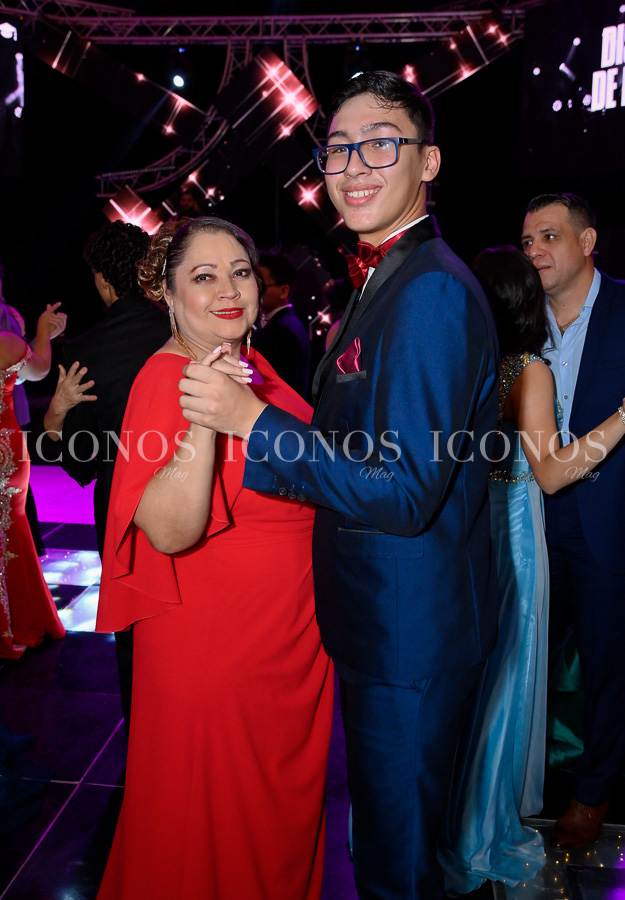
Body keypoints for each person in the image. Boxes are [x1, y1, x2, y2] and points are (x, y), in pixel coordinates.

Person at [177, 71, 500, 900]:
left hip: (408, 633)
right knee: (389, 847)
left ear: (428, 162)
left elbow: (403, 490)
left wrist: (255, 424)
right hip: (384, 619)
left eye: (379, 144)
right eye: (338, 149)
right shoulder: (386, 280)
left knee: (398, 867)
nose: (353, 166)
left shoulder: (429, 290)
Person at [94, 216, 333, 900]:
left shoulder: (248, 363)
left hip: (281, 643)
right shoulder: (167, 378)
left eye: (240, 271)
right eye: (204, 276)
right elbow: (169, 531)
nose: (229, 289)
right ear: (169, 296)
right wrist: (204, 418)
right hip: (219, 649)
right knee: (211, 830)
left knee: (266, 828)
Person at [438, 246, 625, 892]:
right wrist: (622, 419)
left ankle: (448, 816)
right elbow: (550, 473)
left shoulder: (466, 362)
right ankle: (481, 824)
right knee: (508, 683)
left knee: (476, 681)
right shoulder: (528, 369)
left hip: (469, 536)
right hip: (516, 537)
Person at [521, 193, 625, 851]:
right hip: (528, 520)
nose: (535, 250)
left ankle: (593, 793)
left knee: (608, 664)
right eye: (528, 240)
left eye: (549, 237)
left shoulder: (622, 310)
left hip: (607, 520)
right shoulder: (521, 323)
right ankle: (522, 783)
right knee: (524, 659)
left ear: (587, 243)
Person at [42, 220, 170, 734]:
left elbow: (79, 461)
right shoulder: (183, 326)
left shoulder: (86, 351)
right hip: (195, 489)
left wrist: (55, 416)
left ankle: (145, 740)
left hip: (124, 503)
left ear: (100, 278)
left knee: (135, 629)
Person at [0, 302, 67, 659]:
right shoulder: (6, 343)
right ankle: (20, 619)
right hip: (4, 451)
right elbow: (39, 371)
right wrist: (44, 332)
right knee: (10, 529)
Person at [0, 259, 45, 554]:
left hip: (14, 410)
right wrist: (45, 335)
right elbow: (35, 367)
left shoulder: (12, 317)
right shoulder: (10, 325)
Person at [252, 250, 311, 398]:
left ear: (283, 291)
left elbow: (277, 387)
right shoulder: (287, 323)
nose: (254, 290)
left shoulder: (282, 330)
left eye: (261, 284)